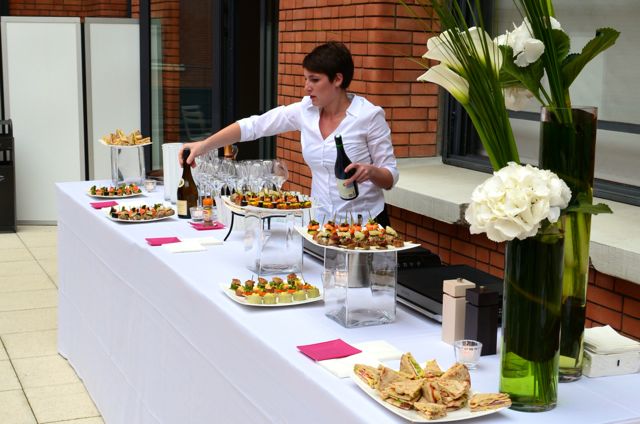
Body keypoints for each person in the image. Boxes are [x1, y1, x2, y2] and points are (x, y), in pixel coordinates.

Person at [179, 42, 399, 226]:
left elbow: (390, 177)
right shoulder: (305, 111)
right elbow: (254, 126)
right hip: (321, 224)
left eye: (314, 80)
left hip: (367, 225)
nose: (307, 87)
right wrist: (204, 145)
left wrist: (370, 172)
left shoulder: (368, 116)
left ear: (338, 80)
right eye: (306, 79)